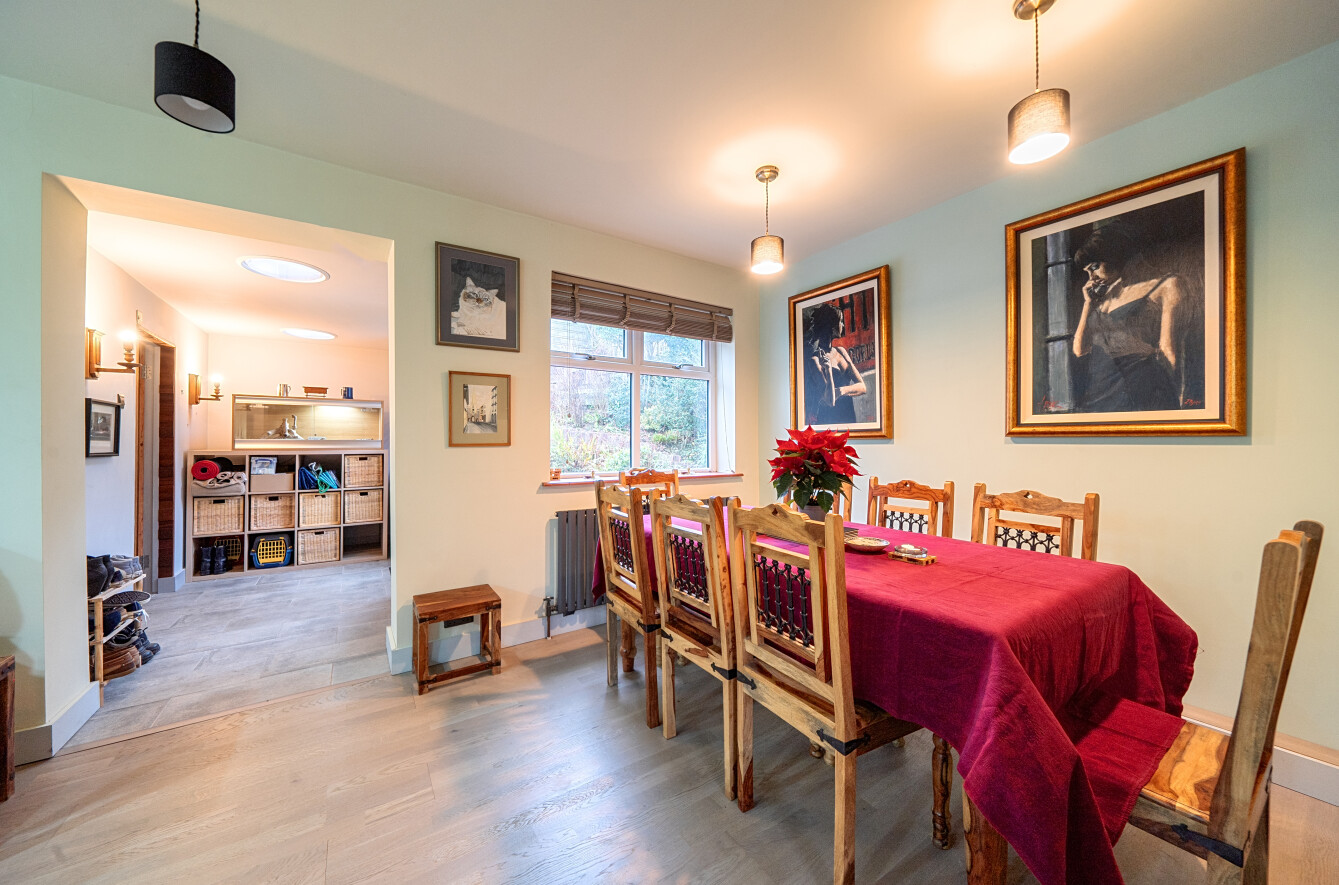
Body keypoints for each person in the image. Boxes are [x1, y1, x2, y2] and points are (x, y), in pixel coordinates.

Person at [1071, 223, 1192, 412]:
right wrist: (1088, 304)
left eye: (1095, 267)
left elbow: (1169, 350)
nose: (1091, 277)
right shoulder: (1103, 298)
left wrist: (1176, 401)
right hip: (1100, 392)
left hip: (1143, 390)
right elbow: (1079, 349)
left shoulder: (1166, 285)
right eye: (1087, 272)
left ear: (1115, 256)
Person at [802, 302, 865, 424]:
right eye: (840, 321)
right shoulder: (815, 360)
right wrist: (828, 370)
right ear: (831, 326)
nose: (843, 325)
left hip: (849, 415)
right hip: (829, 420)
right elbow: (830, 401)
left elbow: (862, 387)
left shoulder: (841, 351)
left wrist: (841, 390)